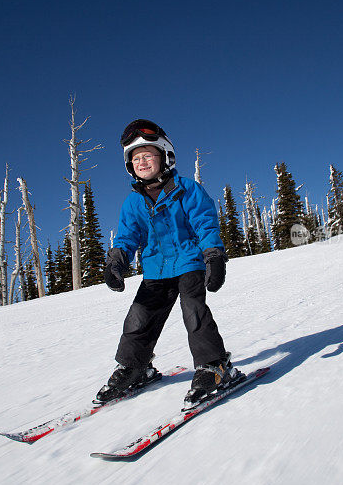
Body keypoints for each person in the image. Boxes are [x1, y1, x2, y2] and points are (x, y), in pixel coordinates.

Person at [97, 119, 242, 408]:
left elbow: (205, 224)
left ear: (165, 156)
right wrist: (116, 261)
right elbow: (127, 236)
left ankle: (214, 366)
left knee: (194, 312)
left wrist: (213, 254)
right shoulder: (133, 203)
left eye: (148, 155)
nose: (142, 161)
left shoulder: (188, 189)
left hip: (189, 263)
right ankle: (134, 366)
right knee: (139, 318)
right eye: (135, 158)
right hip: (155, 269)